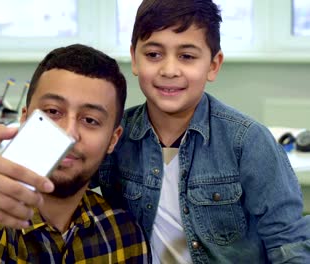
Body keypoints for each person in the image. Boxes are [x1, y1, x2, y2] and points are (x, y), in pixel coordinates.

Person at [95, 0, 310, 263]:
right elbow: (60, 183)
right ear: (134, 59)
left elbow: (288, 242)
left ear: (213, 65)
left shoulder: (248, 141)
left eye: (187, 56)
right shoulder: (116, 136)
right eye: (153, 54)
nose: (169, 70)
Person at [0, 44, 151, 263]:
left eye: (90, 120)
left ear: (113, 139)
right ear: (25, 118)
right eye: (53, 112)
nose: (69, 133)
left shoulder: (125, 235)